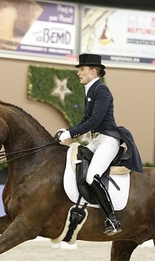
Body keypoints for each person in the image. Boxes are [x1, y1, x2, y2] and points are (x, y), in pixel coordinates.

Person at [55, 53, 143, 236]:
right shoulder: (90, 90)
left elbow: (95, 120)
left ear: (93, 71)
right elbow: (84, 120)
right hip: (96, 140)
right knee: (77, 163)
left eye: (82, 69)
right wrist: (67, 132)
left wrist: (71, 133)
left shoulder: (102, 91)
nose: (79, 73)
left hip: (108, 140)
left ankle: (111, 218)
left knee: (92, 176)